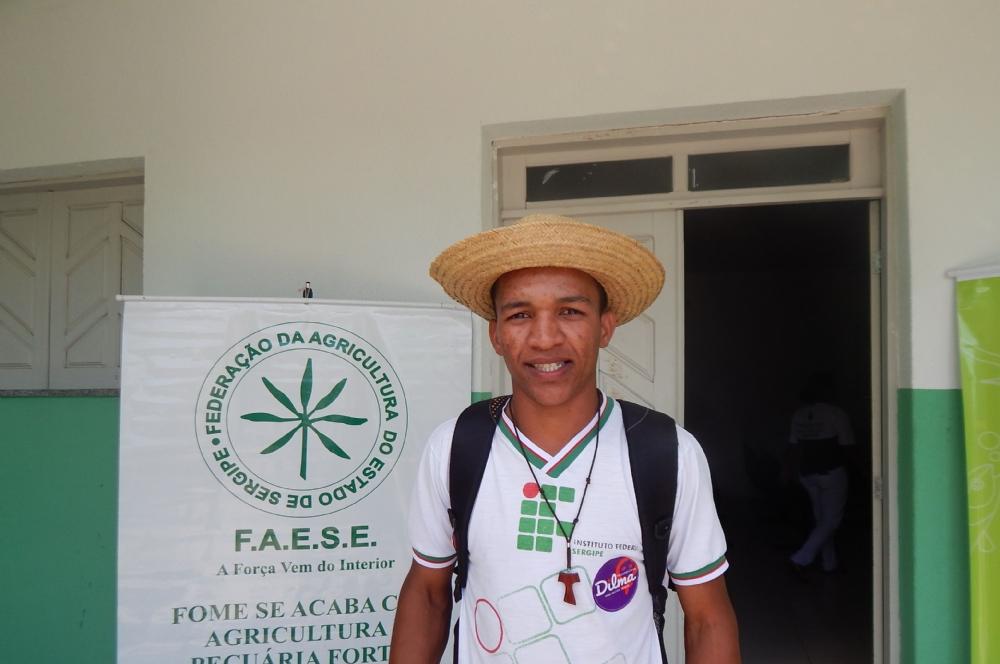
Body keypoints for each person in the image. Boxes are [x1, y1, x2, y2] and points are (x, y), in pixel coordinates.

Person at [390, 214, 740, 664]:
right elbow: (427, 593)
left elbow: (707, 619)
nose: (544, 338)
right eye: (520, 315)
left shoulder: (667, 453)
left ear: (605, 327)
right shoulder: (456, 447)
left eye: (570, 311)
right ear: (496, 335)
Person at [785, 372, 856, 578]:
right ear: (826, 391)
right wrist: (866, 469)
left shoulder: (799, 414)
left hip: (807, 474)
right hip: (831, 473)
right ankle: (800, 559)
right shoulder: (836, 413)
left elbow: (793, 446)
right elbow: (848, 446)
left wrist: (786, 470)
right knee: (830, 522)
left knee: (822, 522)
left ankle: (829, 563)